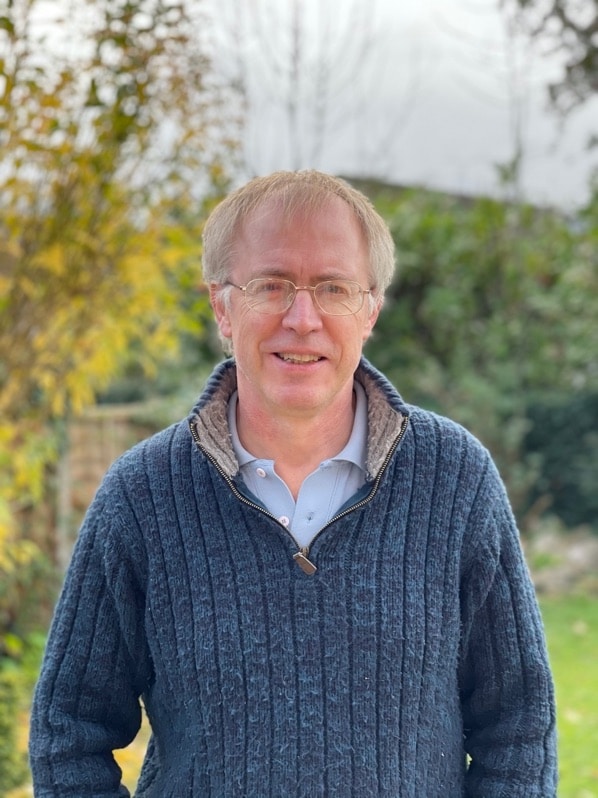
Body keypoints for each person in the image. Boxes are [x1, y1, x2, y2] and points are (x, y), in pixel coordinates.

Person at [29, 170, 557, 797]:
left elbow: (520, 726)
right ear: (222, 307)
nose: (302, 319)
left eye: (334, 288)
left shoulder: (455, 480)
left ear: (370, 310)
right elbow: (69, 734)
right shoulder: (142, 496)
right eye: (271, 285)